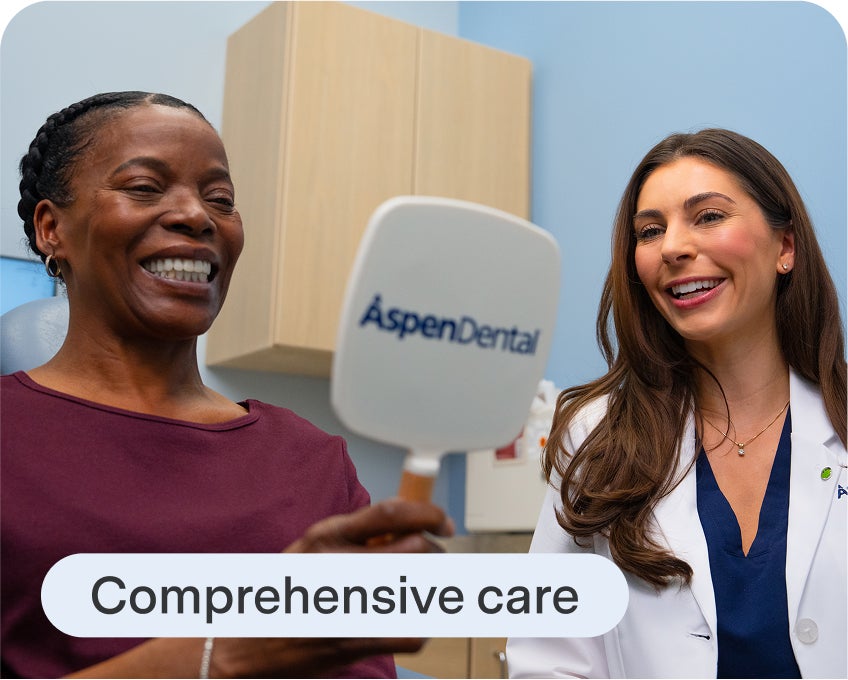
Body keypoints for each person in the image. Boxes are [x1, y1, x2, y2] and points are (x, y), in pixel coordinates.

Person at [0, 91, 453, 679]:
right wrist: (227, 654)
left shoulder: (313, 462)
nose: (197, 215)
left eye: (221, 199)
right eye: (144, 187)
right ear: (51, 228)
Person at [506, 129, 846, 678]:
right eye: (650, 231)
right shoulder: (596, 439)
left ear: (785, 247)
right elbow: (550, 657)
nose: (671, 247)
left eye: (709, 216)